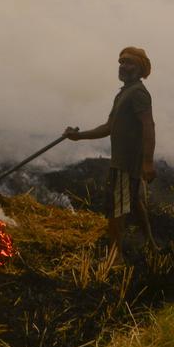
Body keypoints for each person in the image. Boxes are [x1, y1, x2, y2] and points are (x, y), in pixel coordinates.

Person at [64, 46, 158, 258]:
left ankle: (115, 256)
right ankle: (151, 244)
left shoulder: (138, 93)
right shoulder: (124, 94)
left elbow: (149, 126)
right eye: (121, 62)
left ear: (140, 67)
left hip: (126, 162)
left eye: (129, 62)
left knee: (117, 207)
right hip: (123, 161)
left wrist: (148, 162)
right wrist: (78, 136)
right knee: (134, 201)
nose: (123, 66)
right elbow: (109, 127)